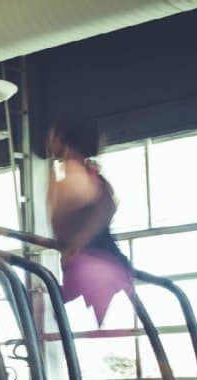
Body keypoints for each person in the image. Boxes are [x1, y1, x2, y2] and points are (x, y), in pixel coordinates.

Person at [46, 120, 132, 325]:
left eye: (53, 137)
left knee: (41, 304)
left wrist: (75, 246)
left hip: (92, 264)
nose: (48, 142)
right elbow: (107, 207)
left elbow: (61, 220)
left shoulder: (72, 173)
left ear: (64, 141)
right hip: (105, 259)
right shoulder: (89, 174)